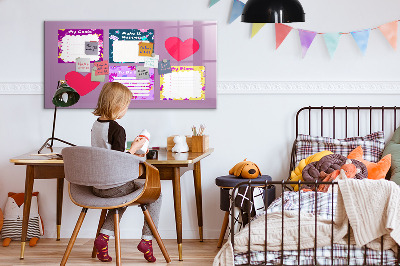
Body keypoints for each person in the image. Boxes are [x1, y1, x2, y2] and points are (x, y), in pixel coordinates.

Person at [91, 82, 161, 263]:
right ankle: (147, 240)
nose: (126, 109)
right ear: (117, 105)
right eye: (126, 105)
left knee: (121, 197)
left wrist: (130, 149)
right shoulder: (117, 129)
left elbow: (108, 154)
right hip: (114, 186)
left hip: (97, 186)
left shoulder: (96, 125)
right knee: (156, 194)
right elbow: (119, 161)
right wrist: (136, 148)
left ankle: (103, 238)